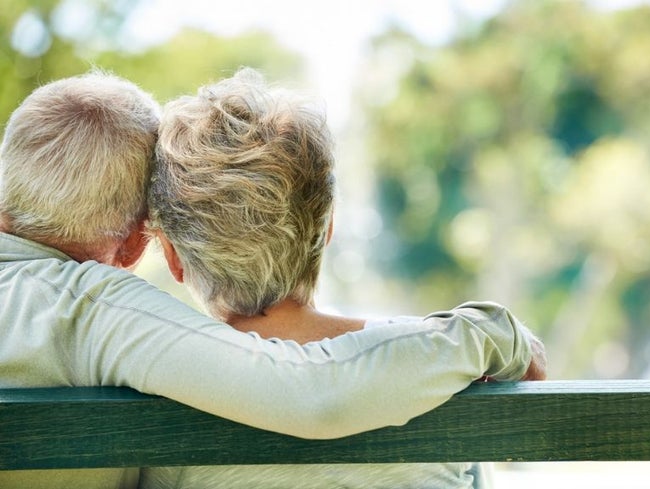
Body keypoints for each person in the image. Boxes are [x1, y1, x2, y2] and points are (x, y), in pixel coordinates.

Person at [0, 71, 545, 489]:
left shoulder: (157, 410)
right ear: (327, 229)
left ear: (170, 254)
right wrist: (486, 332)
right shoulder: (89, 312)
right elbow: (314, 393)